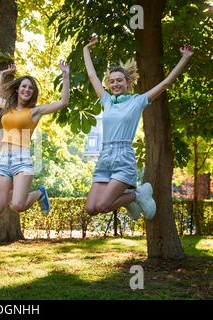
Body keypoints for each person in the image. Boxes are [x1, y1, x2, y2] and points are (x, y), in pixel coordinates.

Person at [83, 35, 194, 220]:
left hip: (123, 159)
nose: (115, 84)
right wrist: (86, 48)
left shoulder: (138, 101)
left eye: (119, 80)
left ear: (128, 83)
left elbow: (165, 83)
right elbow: (92, 75)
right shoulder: (107, 101)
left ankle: (137, 195)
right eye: (112, 81)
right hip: (104, 158)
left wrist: (185, 58)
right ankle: (130, 199)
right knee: (90, 209)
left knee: (103, 206)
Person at [0, 60, 70, 217]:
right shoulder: (8, 107)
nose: (27, 90)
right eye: (24, 86)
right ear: (18, 89)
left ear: (33, 93)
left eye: (31, 88)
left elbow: (63, 102)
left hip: (22, 160)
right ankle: (16, 191)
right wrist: (2, 75)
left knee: (18, 205)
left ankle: (39, 193)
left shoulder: (35, 111)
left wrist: (65, 76)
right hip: (3, 159)